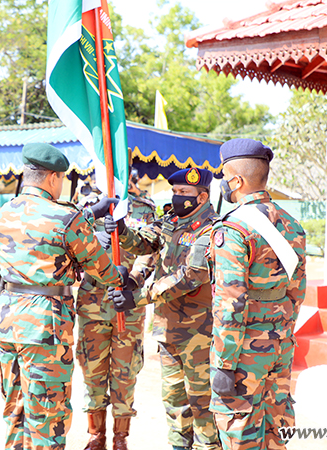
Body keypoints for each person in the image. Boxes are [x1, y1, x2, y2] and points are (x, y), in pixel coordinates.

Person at [0, 142, 129, 450]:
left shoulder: (6, 211)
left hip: (7, 322)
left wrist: (85, 215)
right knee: (48, 417)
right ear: (53, 178)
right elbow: (102, 269)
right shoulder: (64, 217)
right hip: (45, 328)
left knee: (16, 412)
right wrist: (119, 274)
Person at [106, 168, 221, 450]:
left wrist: (139, 296)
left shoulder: (212, 229)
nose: (177, 197)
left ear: (202, 196)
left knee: (202, 406)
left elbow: (189, 275)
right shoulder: (171, 220)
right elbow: (146, 241)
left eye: (184, 193)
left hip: (199, 336)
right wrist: (122, 232)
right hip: (168, 332)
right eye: (175, 192)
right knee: (174, 404)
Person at [208, 139, 307, 449]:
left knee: (241, 434)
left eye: (225, 176)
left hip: (242, 354)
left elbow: (231, 303)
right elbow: (297, 290)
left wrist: (224, 364)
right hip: (280, 346)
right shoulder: (292, 226)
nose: (223, 183)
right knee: (277, 431)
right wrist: (282, 333)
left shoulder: (234, 229)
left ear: (236, 181)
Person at [75, 183, 156, 450]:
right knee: (92, 369)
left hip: (127, 305)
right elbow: (70, 239)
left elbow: (151, 250)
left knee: (125, 372)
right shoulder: (86, 205)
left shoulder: (143, 208)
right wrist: (90, 242)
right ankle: (95, 436)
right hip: (93, 303)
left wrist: (133, 279)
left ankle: (120, 438)